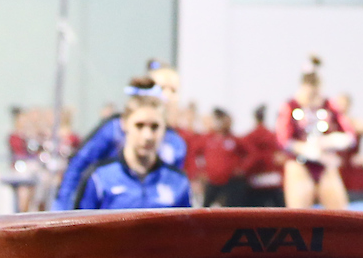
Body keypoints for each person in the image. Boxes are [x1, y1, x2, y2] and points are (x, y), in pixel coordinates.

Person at [53, 76, 187, 210]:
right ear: (125, 124)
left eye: (154, 127)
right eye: (139, 126)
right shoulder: (109, 132)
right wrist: (61, 212)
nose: (147, 136)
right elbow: (78, 165)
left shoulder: (176, 149)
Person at [276, 57, 355, 210]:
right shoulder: (290, 106)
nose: (313, 99)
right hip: (300, 163)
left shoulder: (329, 105)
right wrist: (308, 150)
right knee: (299, 216)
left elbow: (349, 135)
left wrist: (331, 141)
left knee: (340, 215)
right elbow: (283, 140)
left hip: (325, 164)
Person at [190, 109, 247, 207]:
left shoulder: (234, 139)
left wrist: (242, 168)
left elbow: (248, 154)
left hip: (230, 181)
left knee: (231, 208)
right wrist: (199, 171)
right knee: (205, 208)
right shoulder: (207, 138)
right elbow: (193, 153)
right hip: (212, 181)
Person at [240, 106, 285, 207]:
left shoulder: (249, 136)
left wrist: (244, 169)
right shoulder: (272, 136)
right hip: (272, 179)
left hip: (256, 179)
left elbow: (251, 157)